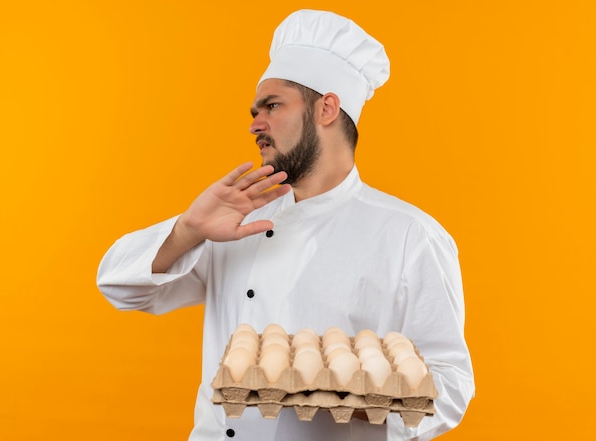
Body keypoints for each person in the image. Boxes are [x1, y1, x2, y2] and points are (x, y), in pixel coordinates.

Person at [97, 9, 474, 441]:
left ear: (327, 108)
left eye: (272, 106)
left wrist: (351, 399)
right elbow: (119, 287)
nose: (255, 124)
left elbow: (451, 386)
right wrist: (189, 228)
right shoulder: (237, 221)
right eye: (256, 111)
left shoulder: (410, 236)